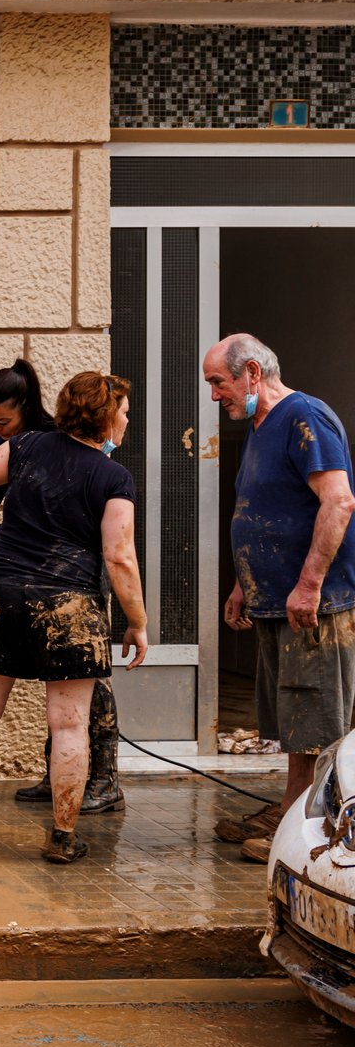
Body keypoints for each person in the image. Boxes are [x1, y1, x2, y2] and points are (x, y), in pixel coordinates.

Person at [0, 372, 149, 866]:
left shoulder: (25, 447)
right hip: (70, 608)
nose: (127, 419)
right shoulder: (115, 478)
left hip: (1, 597)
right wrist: (137, 620)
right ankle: (63, 836)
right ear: (106, 417)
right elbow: (120, 557)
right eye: (125, 411)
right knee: (70, 726)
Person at [204, 333, 355, 865]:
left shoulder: (303, 416)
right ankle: (292, 808)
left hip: (314, 604)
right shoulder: (260, 429)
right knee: (293, 720)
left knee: (316, 720)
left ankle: (307, 826)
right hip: (274, 600)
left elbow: (337, 502)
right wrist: (244, 583)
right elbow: (267, 509)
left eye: (218, 383)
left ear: (250, 372)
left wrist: (309, 583)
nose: (215, 395)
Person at [0, 361, 125, 814]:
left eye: (2, 422)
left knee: (85, 694)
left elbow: (37, 523)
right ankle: (60, 791)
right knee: (66, 711)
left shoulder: (54, 444)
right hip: (38, 583)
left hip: (73, 583)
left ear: (25, 411)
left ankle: (103, 780)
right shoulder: (17, 443)